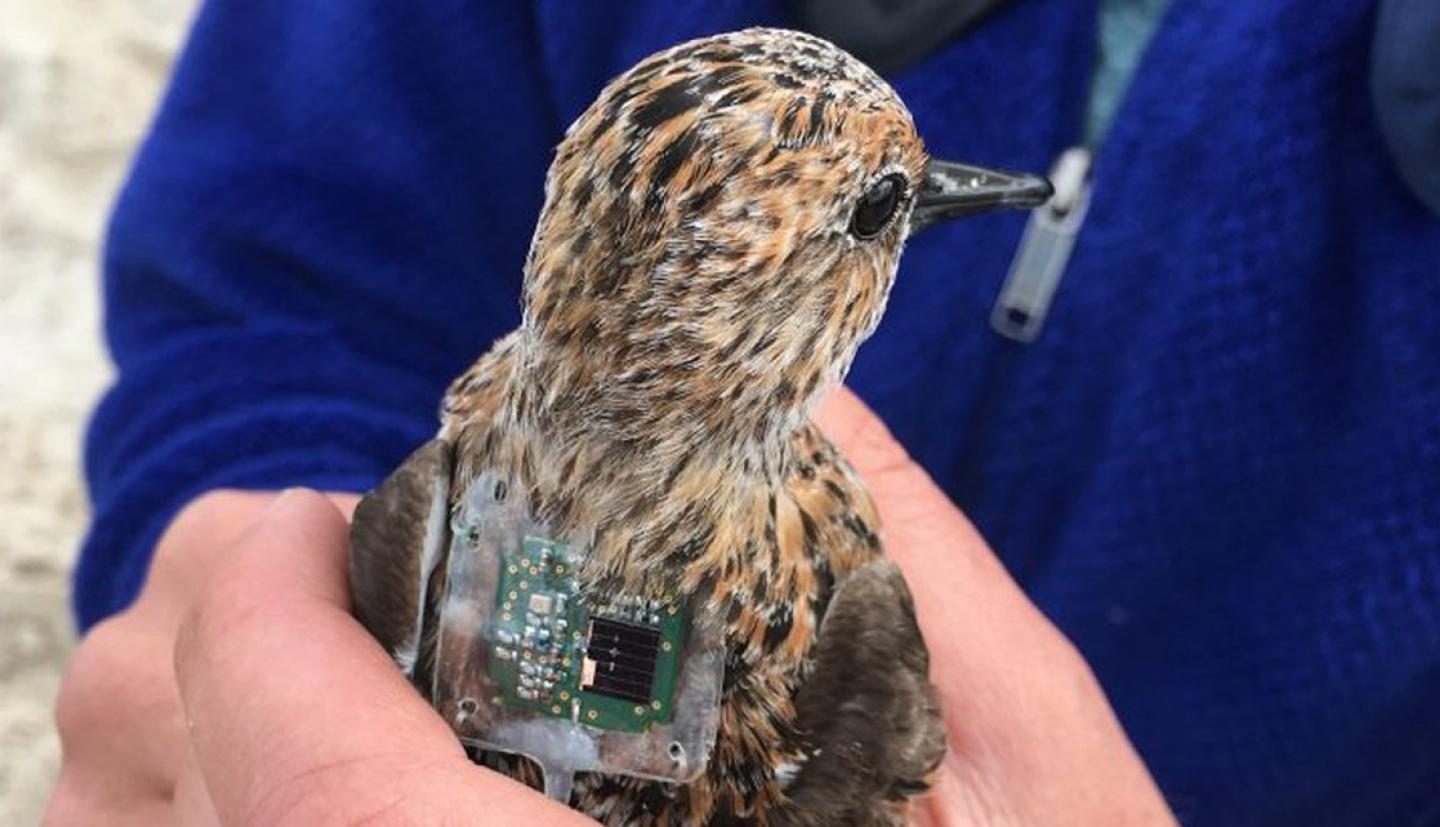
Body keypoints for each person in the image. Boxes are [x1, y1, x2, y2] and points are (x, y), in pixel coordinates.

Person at [48, 0, 1440, 824]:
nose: (938, 203)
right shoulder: (421, 508)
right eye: (887, 212)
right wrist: (227, 539)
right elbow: (291, 281)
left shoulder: (474, 513)